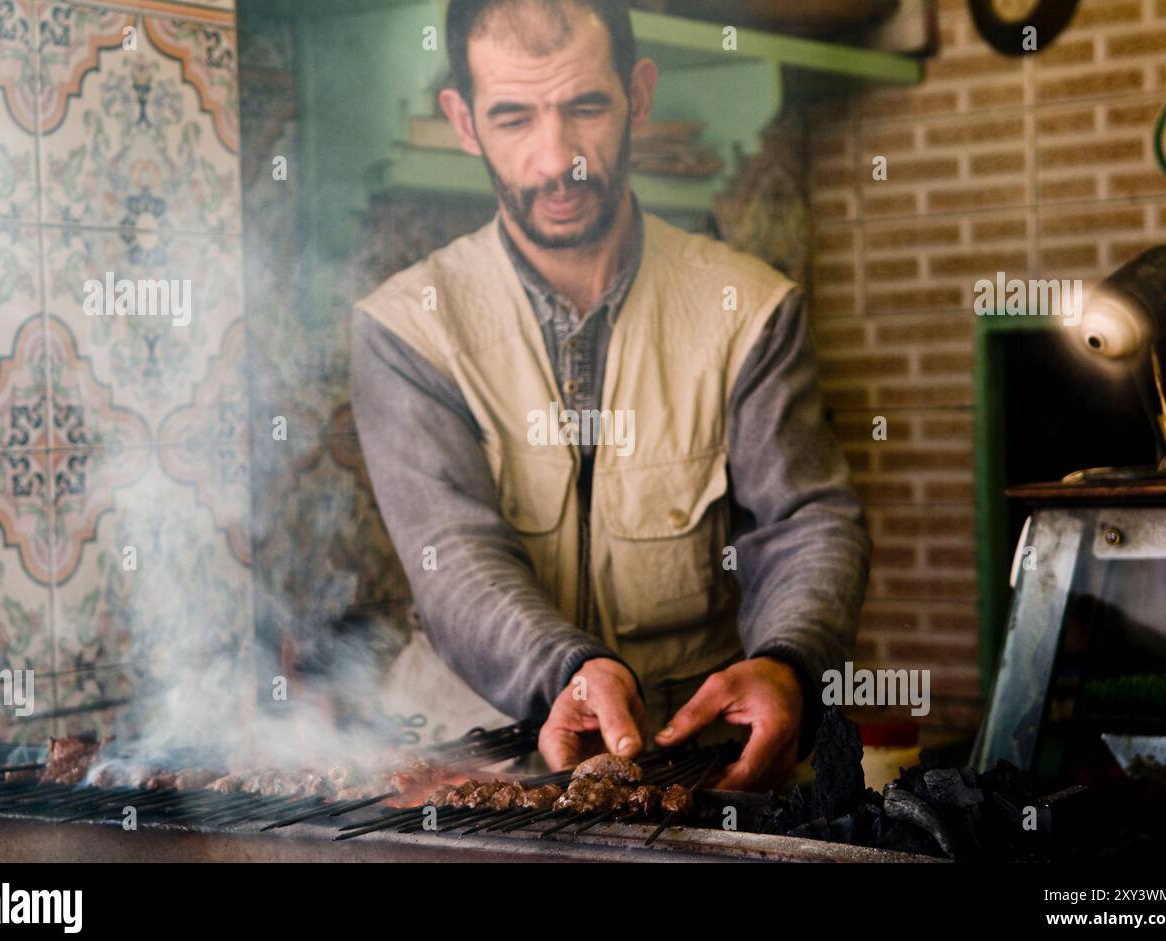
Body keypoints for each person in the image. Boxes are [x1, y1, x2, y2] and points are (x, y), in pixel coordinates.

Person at [351, 0, 870, 790]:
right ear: (462, 120)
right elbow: (452, 554)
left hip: (690, 763)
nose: (558, 159)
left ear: (639, 93)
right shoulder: (405, 327)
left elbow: (804, 523)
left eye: (585, 106)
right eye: (514, 117)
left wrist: (789, 662)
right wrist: (569, 664)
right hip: (465, 777)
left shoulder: (751, 307)